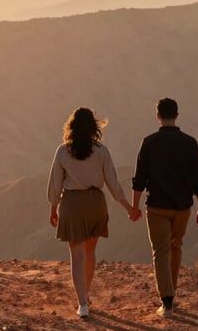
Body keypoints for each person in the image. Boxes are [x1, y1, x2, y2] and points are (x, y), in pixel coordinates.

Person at [48, 107, 139, 319]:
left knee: (76, 257)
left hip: (72, 205)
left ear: (71, 127)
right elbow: (113, 183)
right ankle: (86, 295)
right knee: (89, 253)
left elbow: (54, 185)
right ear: (93, 128)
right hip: (96, 204)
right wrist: (129, 207)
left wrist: (53, 209)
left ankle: (82, 304)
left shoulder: (62, 152)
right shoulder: (101, 151)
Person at [131, 97, 198, 317]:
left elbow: (139, 179)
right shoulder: (190, 143)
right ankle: (171, 294)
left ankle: (167, 301)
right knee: (176, 247)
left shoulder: (149, 142)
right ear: (177, 115)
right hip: (183, 207)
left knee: (160, 251)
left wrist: (134, 206)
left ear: (158, 116)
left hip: (156, 207)